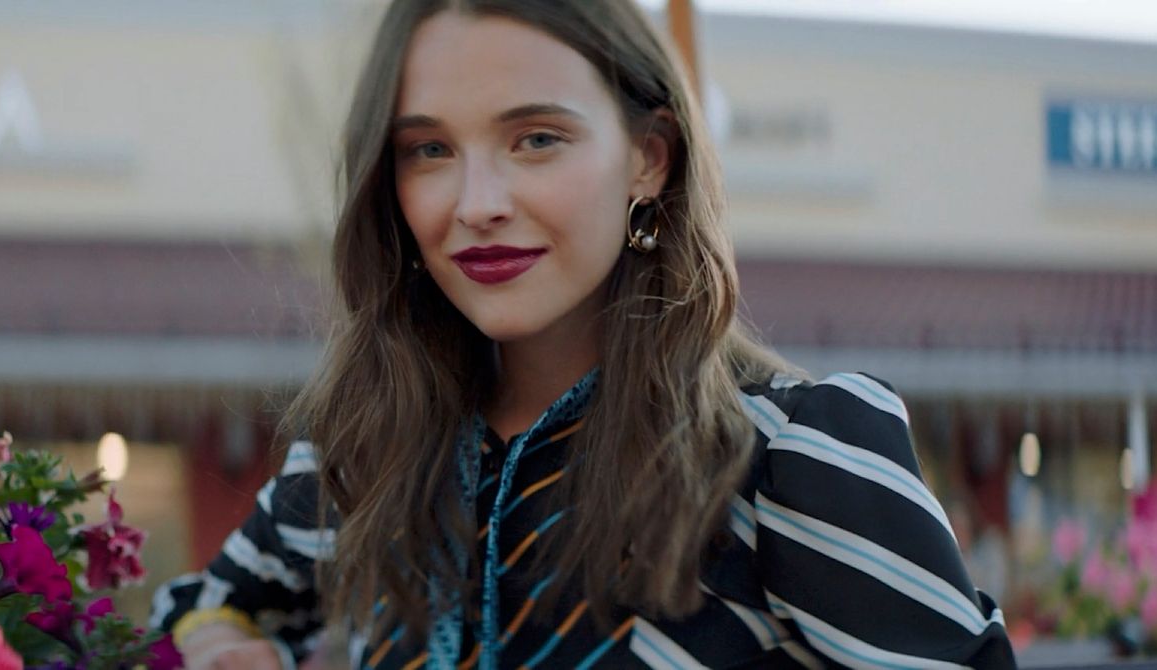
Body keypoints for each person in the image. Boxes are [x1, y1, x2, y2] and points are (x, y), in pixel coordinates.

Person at [152, 0, 1017, 667]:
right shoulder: (363, 463)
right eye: (428, 150)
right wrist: (219, 643)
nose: (477, 202)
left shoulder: (793, 459)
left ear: (651, 156)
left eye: (536, 138)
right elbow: (198, 608)